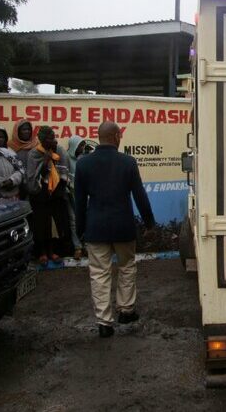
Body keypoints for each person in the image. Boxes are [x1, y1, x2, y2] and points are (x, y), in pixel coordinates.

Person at [75, 121, 155, 338]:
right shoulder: (127, 162)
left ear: (99, 137)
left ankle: (104, 323)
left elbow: (79, 202)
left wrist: (80, 229)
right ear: (117, 136)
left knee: (99, 274)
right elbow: (140, 196)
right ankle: (126, 311)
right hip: (123, 227)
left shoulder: (83, 164)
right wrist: (149, 223)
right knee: (127, 267)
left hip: (96, 228)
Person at [27, 126, 71, 265]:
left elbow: (63, 171)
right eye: (50, 138)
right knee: (41, 225)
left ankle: (53, 251)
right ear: (41, 139)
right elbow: (32, 177)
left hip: (54, 195)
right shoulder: (34, 154)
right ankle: (42, 253)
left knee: (54, 225)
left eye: (53, 137)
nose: (53, 140)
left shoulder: (58, 152)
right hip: (40, 195)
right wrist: (45, 162)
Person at [66, 136, 88, 260]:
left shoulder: (84, 159)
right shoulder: (67, 158)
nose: (83, 148)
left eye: (83, 145)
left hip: (84, 196)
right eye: (80, 145)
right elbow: (65, 175)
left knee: (87, 219)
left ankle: (87, 245)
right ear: (74, 146)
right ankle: (77, 247)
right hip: (71, 194)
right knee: (74, 221)